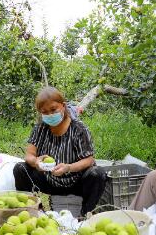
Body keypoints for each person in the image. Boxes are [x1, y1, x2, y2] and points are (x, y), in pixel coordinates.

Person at [13, 86, 106, 217]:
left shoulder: (78, 129)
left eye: (53, 109)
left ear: (63, 106)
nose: (50, 115)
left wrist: (68, 167)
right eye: (44, 112)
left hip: (76, 182)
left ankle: (84, 216)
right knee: (20, 169)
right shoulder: (41, 128)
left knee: (98, 174)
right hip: (49, 180)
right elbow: (29, 155)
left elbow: (89, 160)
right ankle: (35, 211)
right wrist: (36, 162)